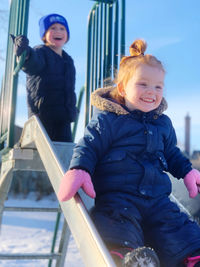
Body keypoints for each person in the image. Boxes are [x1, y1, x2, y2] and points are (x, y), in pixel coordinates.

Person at [57, 39, 200, 267]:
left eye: (158, 87)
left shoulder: (163, 124)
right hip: (118, 196)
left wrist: (188, 171)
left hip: (157, 199)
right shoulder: (108, 120)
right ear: (123, 88)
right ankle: (126, 258)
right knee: (115, 223)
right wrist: (80, 168)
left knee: (176, 225)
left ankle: (191, 258)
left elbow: (172, 153)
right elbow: (90, 145)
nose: (151, 92)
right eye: (143, 84)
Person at [11, 13, 78, 142]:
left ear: (67, 35)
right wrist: (24, 53)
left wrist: (72, 108)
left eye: (62, 28)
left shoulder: (68, 61)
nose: (58, 31)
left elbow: (70, 88)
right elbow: (32, 63)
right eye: (52, 28)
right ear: (44, 34)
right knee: (45, 153)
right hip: (42, 117)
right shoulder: (40, 52)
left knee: (64, 154)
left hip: (64, 119)